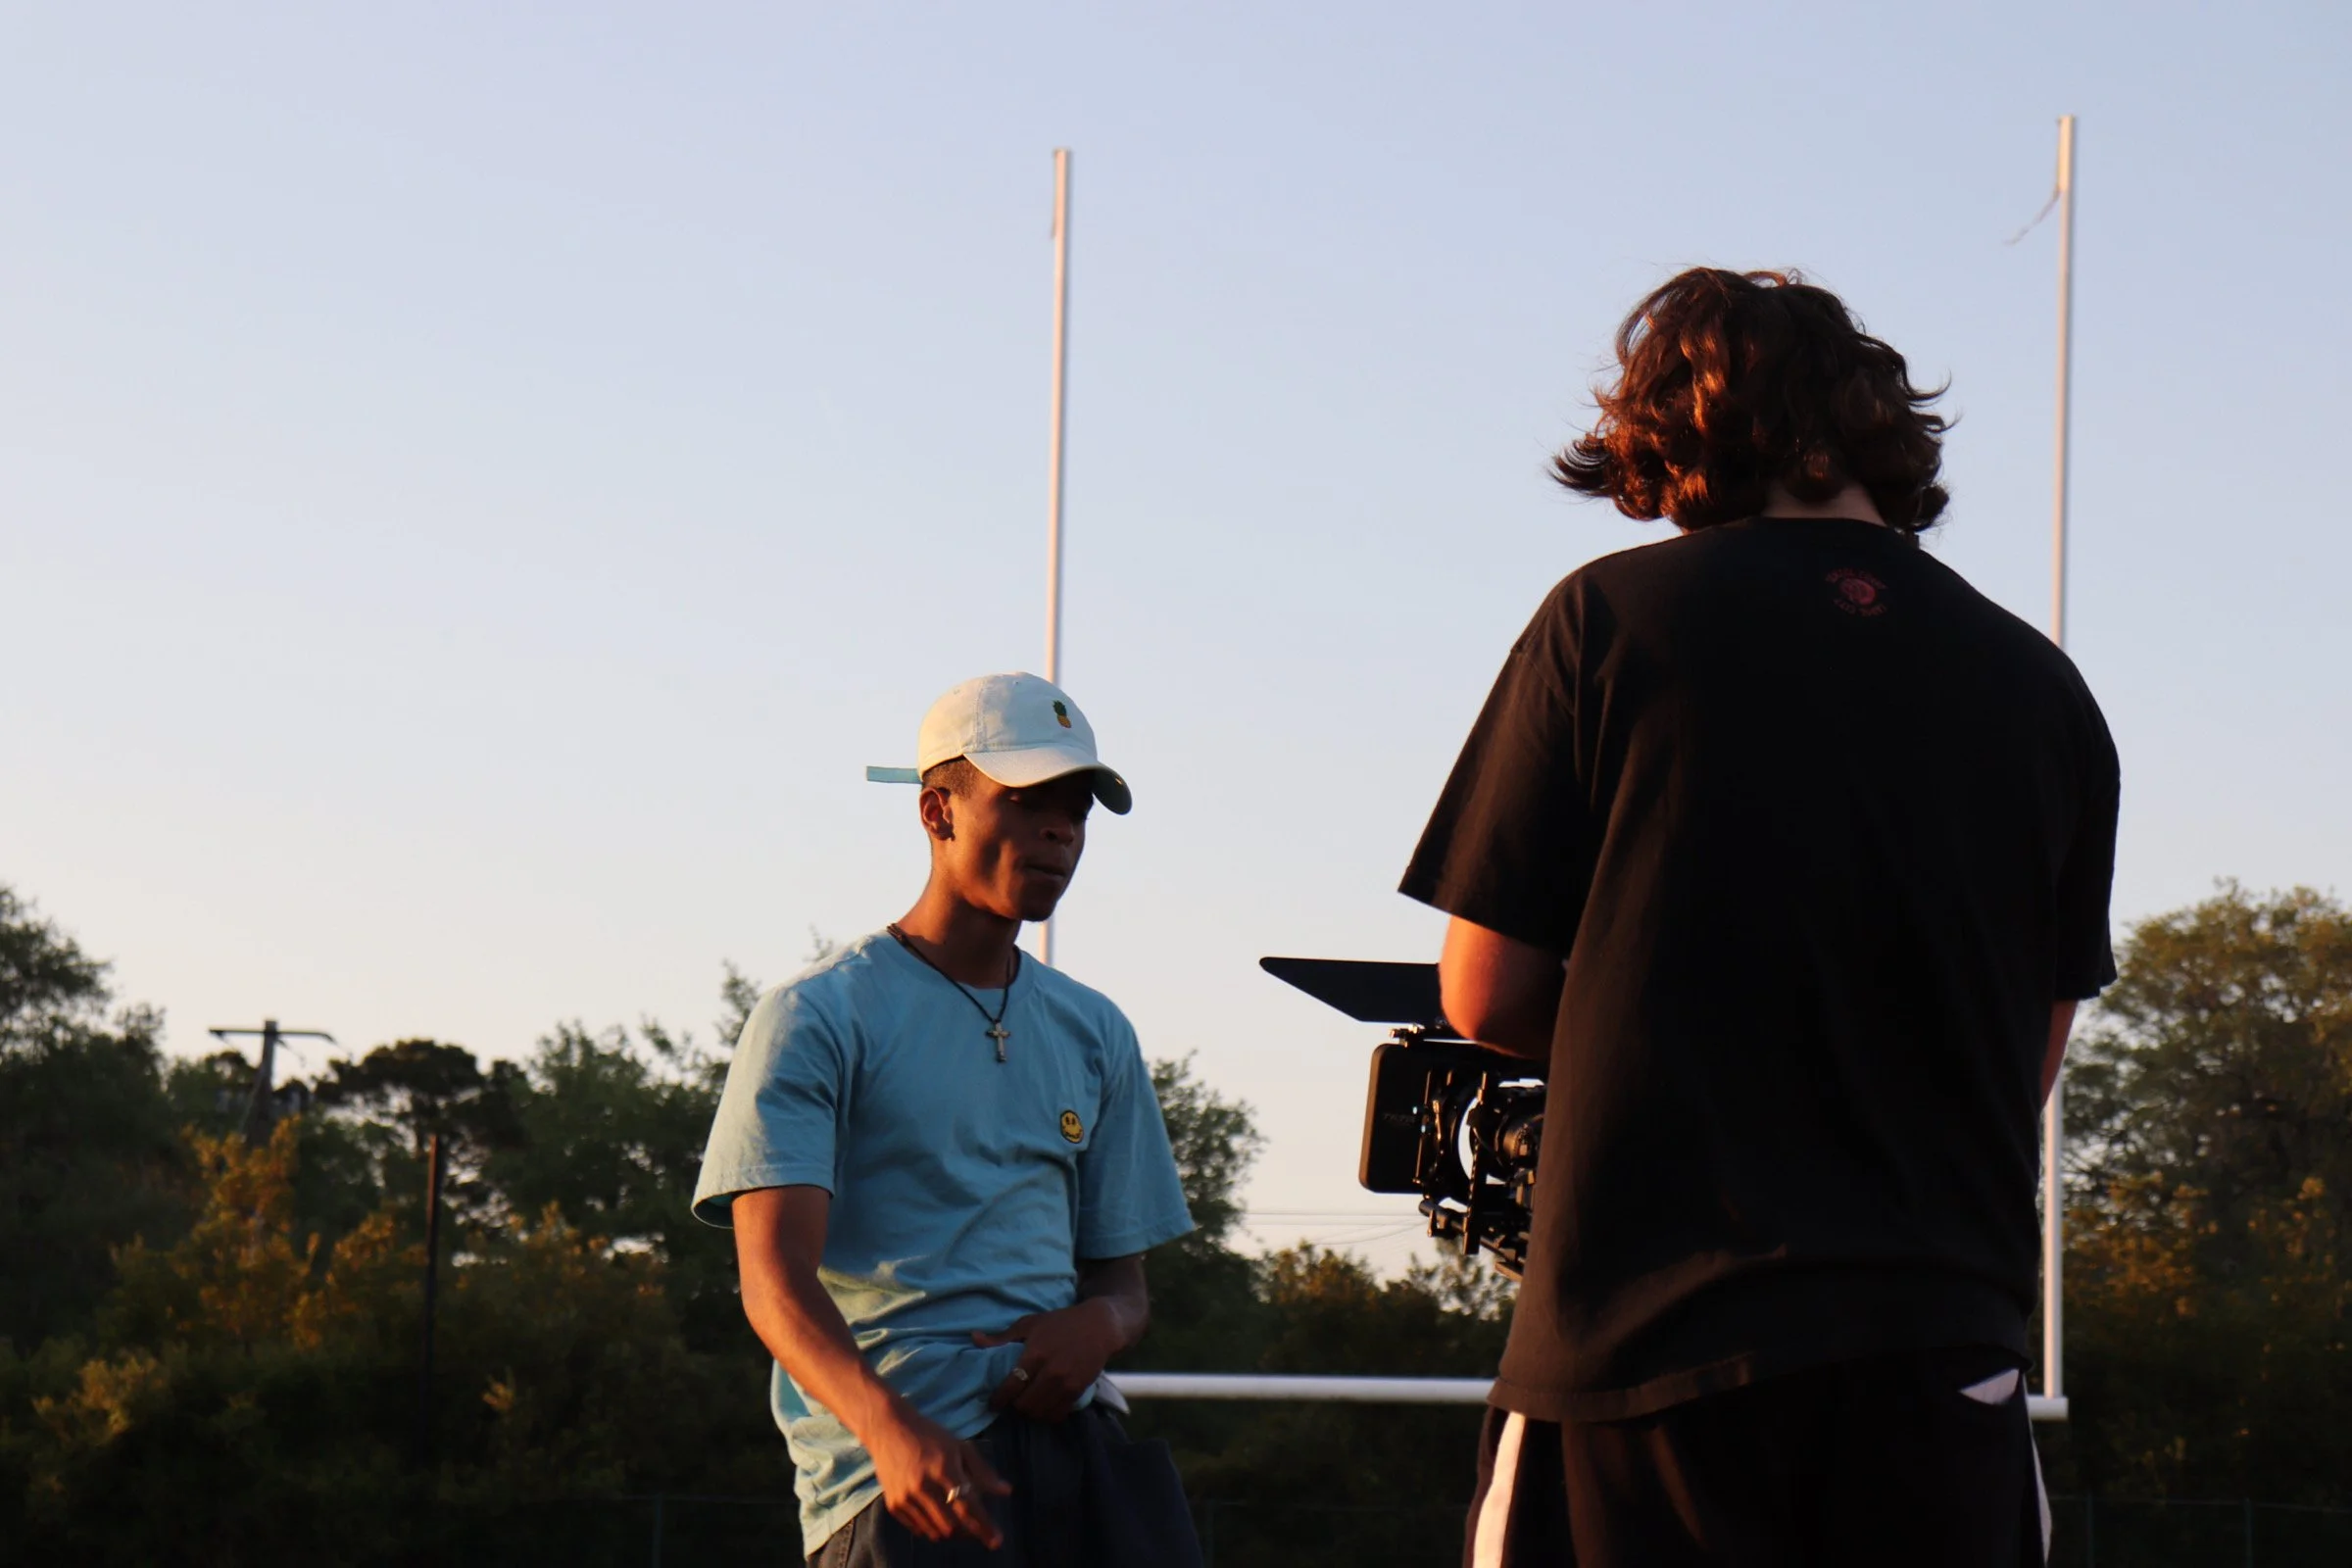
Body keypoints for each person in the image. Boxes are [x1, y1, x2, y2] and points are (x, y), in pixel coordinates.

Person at [1400, 269, 2120, 1567]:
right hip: (1938, 1347)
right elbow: (2030, 1059)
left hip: (1651, 1341)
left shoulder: (1610, 621)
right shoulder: (2044, 690)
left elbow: (1486, 992)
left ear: (1676, 431)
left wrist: (1663, 1047)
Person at [693, 671, 1201, 1567]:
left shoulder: (1096, 1030)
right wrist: (891, 1434)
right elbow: (773, 1284)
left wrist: (1101, 1326)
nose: (1061, 830)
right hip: (906, 1479)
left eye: (1077, 808)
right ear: (937, 812)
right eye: (1029, 800)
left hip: (1080, 1458)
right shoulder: (818, 1017)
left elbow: (1124, 1287)